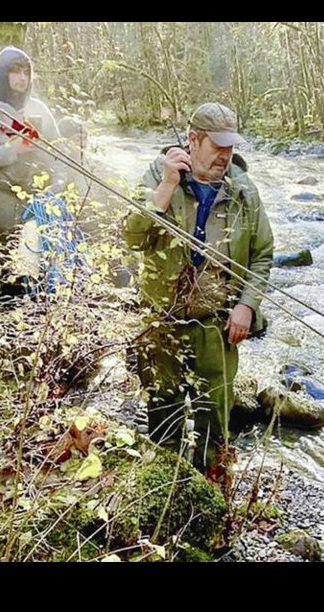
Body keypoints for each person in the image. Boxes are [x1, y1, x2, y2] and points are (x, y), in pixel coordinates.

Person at [123, 102, 273, 471]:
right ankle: (163, 494)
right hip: (163, 323)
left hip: (216, 325)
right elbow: (131, 237)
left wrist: (247, 305)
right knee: (163, 416)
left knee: (214, 424)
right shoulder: (160, 176)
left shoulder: (244, 191)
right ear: (193, 139)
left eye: (230, 147)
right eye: (217, 146)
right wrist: (167, 187)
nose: (225, 155)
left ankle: (211, 494)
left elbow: (263, 254)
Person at [0, 46, 60, 237]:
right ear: (2, 74)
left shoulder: (39, 108)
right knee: (11, 249)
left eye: (26, 72)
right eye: (15, 71)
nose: (22, 77)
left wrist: (57, 189)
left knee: (50, 250)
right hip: (5, 195)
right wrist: (12, 149)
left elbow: (60, 153)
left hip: (43, 195)